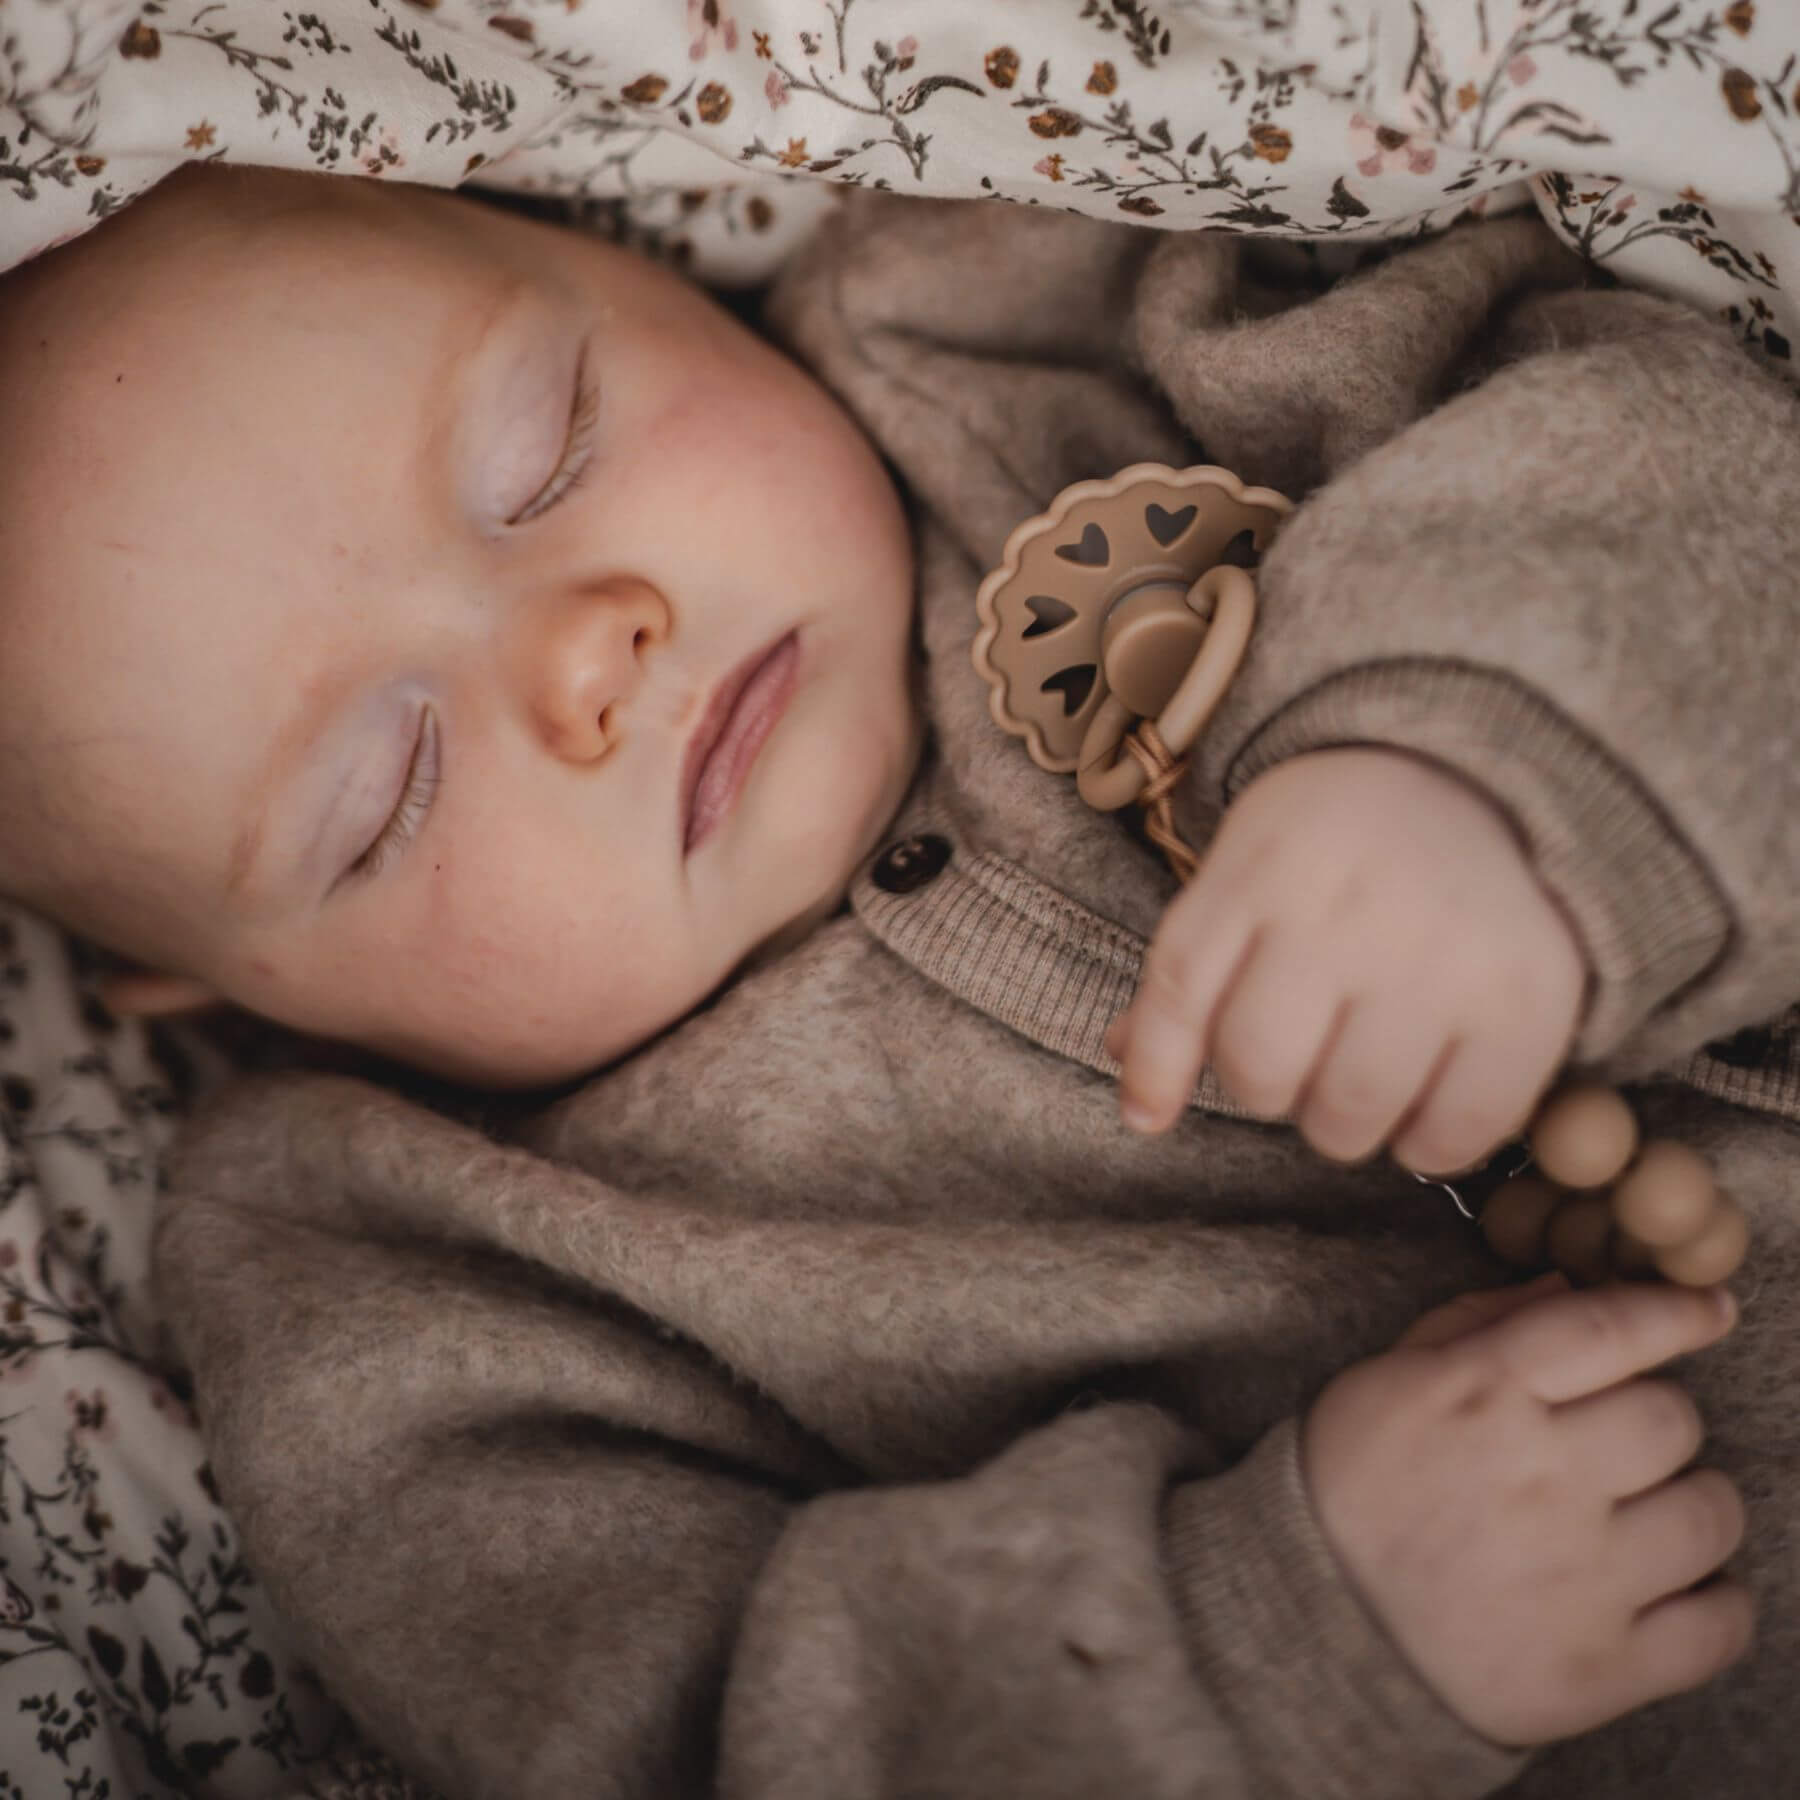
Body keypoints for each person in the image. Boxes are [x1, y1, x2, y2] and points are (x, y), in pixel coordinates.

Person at [4, 162, 1799, 1798]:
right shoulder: (395, 1287)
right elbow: (702, 1750)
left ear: (615, 249)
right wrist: (1274, 1642)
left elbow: (1669, 420)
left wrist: (1483, 753)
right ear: (226, 994)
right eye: (379, 799)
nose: (584, 649)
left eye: (546, 449)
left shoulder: (1018, 330)